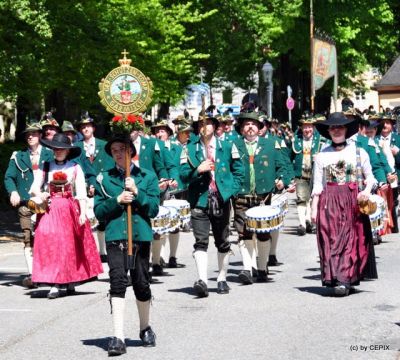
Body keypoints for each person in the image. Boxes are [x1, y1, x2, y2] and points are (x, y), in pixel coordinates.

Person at [94, 136, 159, 355]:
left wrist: (137, 193)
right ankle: (118, 336)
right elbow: (98, 212)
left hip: (140, 235)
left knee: (141, 283)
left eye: (122, 149)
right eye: (114, 151)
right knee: (118, 282)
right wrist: (117, 200)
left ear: (132, 151)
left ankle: (145, 326)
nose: (118, 154)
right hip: (115, 236)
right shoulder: (104, 178)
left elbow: (154, 209)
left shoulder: (147, 176)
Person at [311, 112, 377, 296]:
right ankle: (335, 277)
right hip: (329, 201)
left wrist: (364, 192)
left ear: (347, 130)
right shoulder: (322, 155)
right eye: (333, 127)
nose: (336, 130)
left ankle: (344, 279)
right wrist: (313, 207)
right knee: (330, 240)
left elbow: (370, 178)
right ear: (328, 131)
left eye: (340, 127)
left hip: (351, 201)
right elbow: (317, 184)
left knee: (349, 240)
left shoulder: (358, 151)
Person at [30, 133, 103, 298]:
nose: (58, 152)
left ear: (68, 151)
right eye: (56, 149)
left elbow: (81, 192)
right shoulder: (46, 166)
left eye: (62, 149)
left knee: (67, 244)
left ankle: (69, 280)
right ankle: (54, 282)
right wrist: (40, 194)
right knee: (48, 239)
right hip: (50, 207)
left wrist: (83, 213)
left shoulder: (75, 168)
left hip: (68, 208)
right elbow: (34, 187)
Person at [180, 115, 244, 297]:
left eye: (208, 123)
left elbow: (239, 171)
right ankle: (202, 280)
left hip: (221, 198)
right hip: (199, 199)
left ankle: (222, 278)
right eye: (201, 124)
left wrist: (230, 190)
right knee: (200, 241)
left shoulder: (227, 146)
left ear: (215, 126)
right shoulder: (189, 149)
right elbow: (183, 175)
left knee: (222, 241)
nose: (204, 126)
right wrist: (198, 170)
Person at [233, 112, 291, 284]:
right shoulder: (233, 145)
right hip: (241, 195)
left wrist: (282, 181)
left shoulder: (271, 144)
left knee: (263, 233)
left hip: (263, 195)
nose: (250, 127)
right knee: (244, 233)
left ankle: (262, 267)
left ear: (259, 128)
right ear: (241, 129)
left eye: (253, 124)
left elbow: (283, 167)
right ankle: (247, 268)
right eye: (246, 124)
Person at [4, 122, 54, 287]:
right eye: (28, 134)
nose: (30, 136)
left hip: (48, 204)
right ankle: (34, 275)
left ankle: (50, 272)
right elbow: (9, 177)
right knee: (28, 237)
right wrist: (13, 192)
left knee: (48, 237)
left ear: (40, 135)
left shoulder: (51, 154)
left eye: (34, 133)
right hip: (26, 203)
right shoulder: (18, 156)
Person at [76, 112, 115, 262]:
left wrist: (99, 184)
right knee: (85, 219)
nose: (85, 129)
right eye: (83, 127)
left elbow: (108, 165)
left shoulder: (104, 145)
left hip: (100, 185)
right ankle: (88, 252)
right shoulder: (76, 147)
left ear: (93, 128)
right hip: (82, 186)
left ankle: (102, 251)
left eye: (88, 126)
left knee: (101, 219)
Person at [290, 113, 325, 235]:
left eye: (310, 126)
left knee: (312, 198)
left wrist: (320, 157)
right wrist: (290, 176)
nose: (307, 129)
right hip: (300, 174)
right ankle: (302, 225)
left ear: (313, 127)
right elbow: (289, 158)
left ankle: (309, 220)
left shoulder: (321, 140)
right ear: (301, 128)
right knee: (301, 198)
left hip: (316, 174)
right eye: (305, 127)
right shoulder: (296, 140)